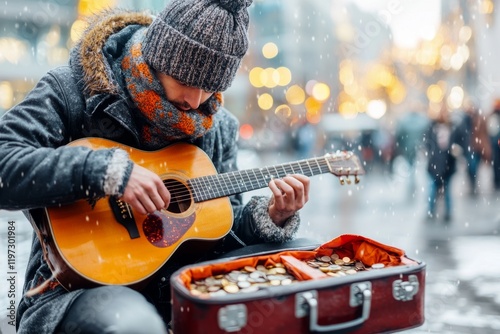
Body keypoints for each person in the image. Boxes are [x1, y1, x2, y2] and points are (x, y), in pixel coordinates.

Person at [0, 1, 310, 333]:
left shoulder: (218, 127)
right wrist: (103, 171)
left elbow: (219, 233)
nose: (195, 100)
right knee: (135, 325)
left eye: (211, 87)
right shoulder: (75, 90)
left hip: (183, 290)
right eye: (187, 80)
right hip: (75, 292)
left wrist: (270, 217)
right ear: (160, 55)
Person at [424, 105, 462, 222]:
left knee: (447, 190)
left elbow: (459, 143)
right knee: (433, 189)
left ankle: (447, 213)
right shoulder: (432, 128)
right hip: (435, 164)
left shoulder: (454, 128)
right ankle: (431, 211)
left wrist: (456, 151)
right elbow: (427, 144)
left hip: (448, 164)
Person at [458, 104, 492, 196]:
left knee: (474, 167)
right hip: (469, 148)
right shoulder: (465, 122)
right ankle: (472, 183)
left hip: (477, 148)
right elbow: (461, 134)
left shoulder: (480, 120)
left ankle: (473, 184)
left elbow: (485, 133)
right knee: (471, 167)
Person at [487, 100, 500, 191]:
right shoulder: (493, 117)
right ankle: (497, 181)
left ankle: (496, 180)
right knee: (496, 164)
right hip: (495, 145)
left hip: (495, 144)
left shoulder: (493, 117)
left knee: (496, 164)